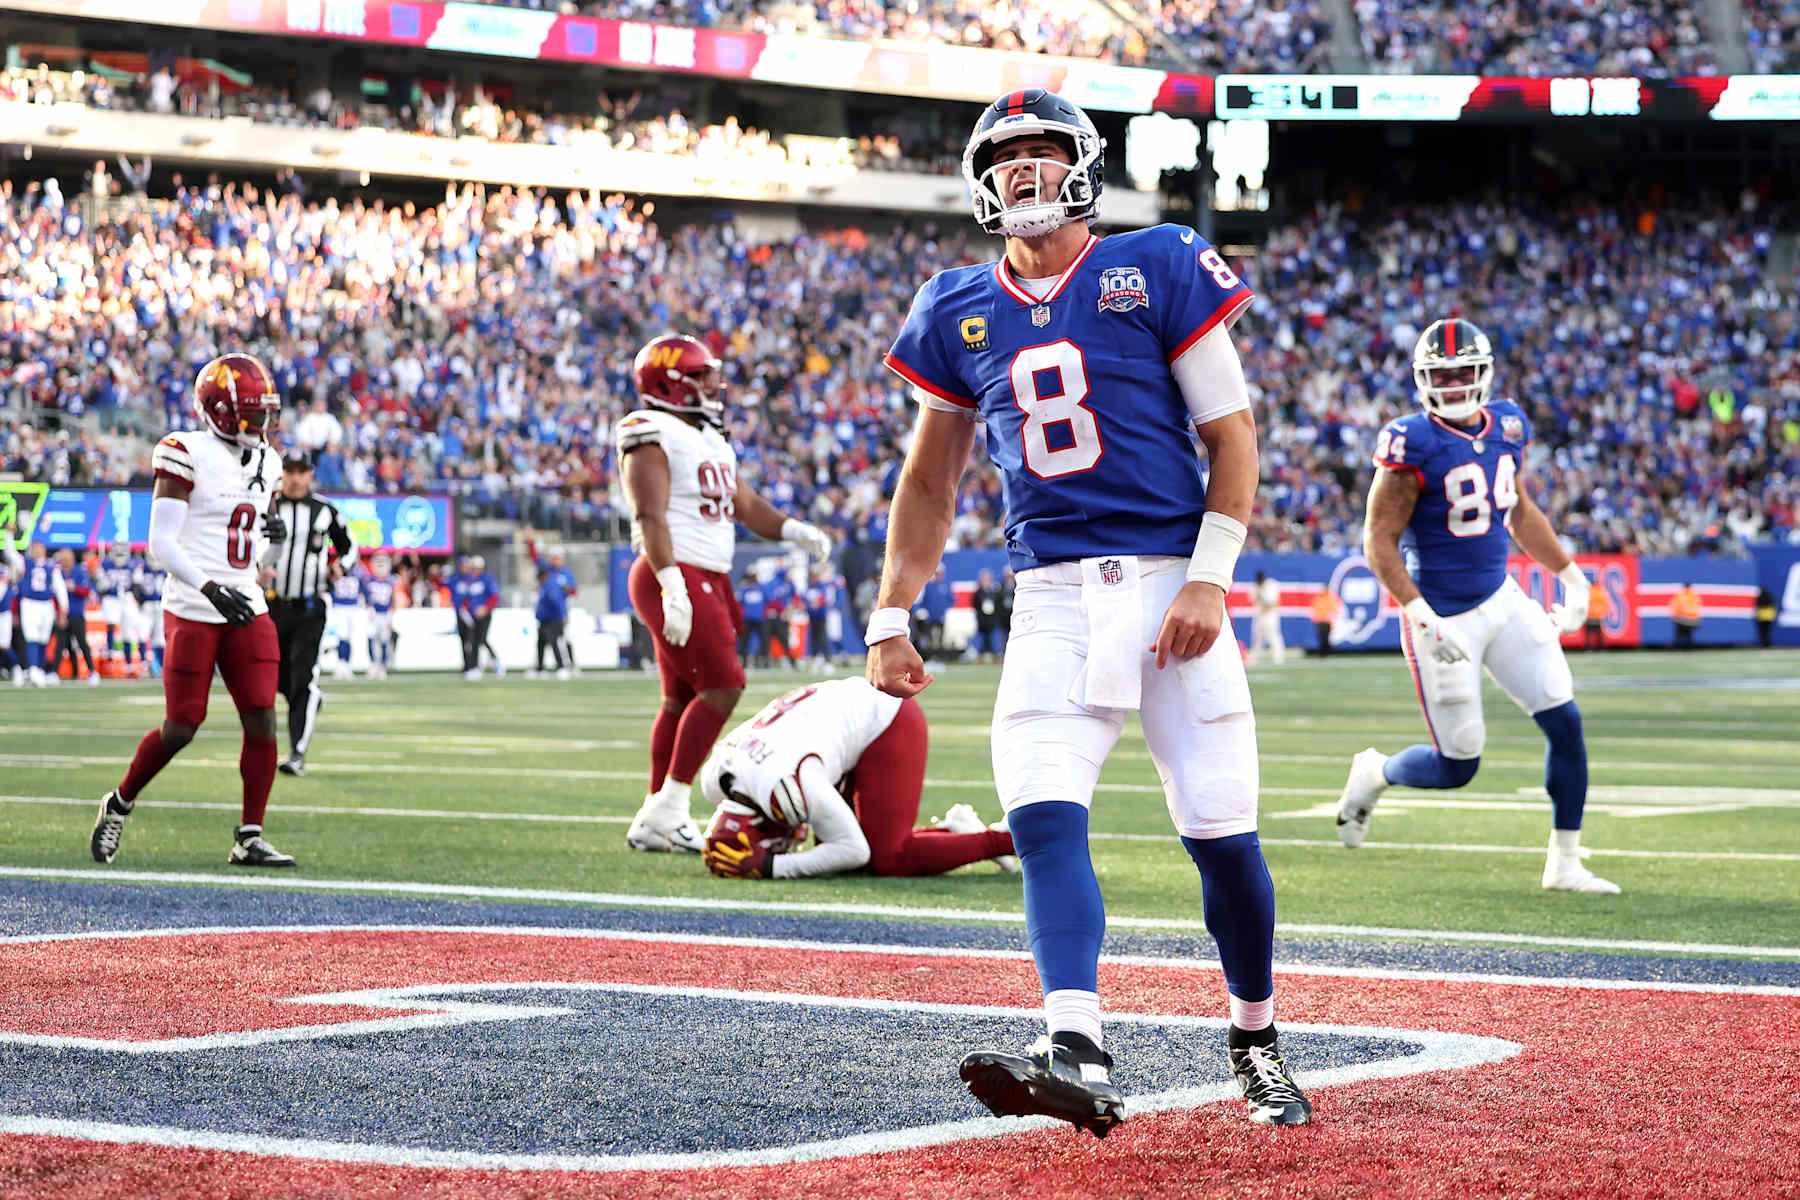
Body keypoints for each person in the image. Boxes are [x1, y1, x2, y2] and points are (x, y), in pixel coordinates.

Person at [868, 89, 1310, 1136]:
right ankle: (1077, 1041)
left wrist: (1210, 574)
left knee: (1222, 837)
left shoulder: (1154, 260)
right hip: (1052, 595)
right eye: (1005, 155)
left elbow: (1233, 436)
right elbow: (930, 485)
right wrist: (892, 612)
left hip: (1168, 579)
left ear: (1083, 166)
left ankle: (1254, 1038)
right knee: (1038, 809)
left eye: (1043, 151)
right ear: (982, 180)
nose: (1023, 169)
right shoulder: (954, 304)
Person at [1335, 318, 1618, 896]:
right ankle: (1376, 772)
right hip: (1441, 616)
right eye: (1443, 375)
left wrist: (1568, 574)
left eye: (1464, 372)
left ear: (1485, 373)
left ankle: (1564, 862)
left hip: (1501, 599)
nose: (1456, 384)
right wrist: (1418, 614)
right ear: (1421, 380)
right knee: (1458, 765)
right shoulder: (1409, 440)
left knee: (1566, 724)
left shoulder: (1508, 425)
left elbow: (1515, 509)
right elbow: (1378, 540)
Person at [616, 332, 832, 854]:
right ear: (672, 384)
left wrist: (792, 529)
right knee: (723, 685)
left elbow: (743, 502)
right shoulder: (650, 430)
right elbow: (649, 516)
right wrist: (671, 584)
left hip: (708, 571)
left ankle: (657, 813)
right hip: (675, 569)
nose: (714, 384)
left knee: (681, 698)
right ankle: (667, 806)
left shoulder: (708, 436)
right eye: (701, 376)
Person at [89, 352, 295, 869]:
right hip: (192, 601)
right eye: (252, 411)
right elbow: (160, 540)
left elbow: (252, 546)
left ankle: (250, 835)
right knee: (183, 724)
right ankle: (119, 801)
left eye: (265, 411)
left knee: (264, 718)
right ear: (222, 411)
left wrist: (274, 540)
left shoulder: (269, 461)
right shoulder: (185, 451)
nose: (262, 422)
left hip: (244, 599)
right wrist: (206, 586)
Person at [698, 678, 1017, 879]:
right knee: (835, 853)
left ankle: (1007, 839)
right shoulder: (715, 779)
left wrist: (771, 867)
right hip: (838, 718)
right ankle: (952, 832)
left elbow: (854, 851)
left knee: (886, 859)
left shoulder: (788, 788)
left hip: (885, 718)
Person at [266, 451, 355, 777]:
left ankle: (297, 752)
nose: (294, 477)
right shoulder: (267, 506)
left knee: (302, 678)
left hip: (309, 607)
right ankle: (309, 705)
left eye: (300, 471)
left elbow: (350, 547)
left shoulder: (325, 512)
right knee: (272, 679)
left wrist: (340, 567)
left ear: (310, 475)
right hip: (271, 605)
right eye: (289, 470)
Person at [14, 539, 65, 688]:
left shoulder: (51, 565)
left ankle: (40, 669)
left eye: (40, 548)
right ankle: (33, 669)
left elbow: (59, 586)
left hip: (46, 604)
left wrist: (63, 608)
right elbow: (11, 554)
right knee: (31, 636)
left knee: (43, 638)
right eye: (35, 548)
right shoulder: (24, 562)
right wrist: (10, 537)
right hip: (29, 603)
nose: (37, 551)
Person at [48, 548, 99, 683]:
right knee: (61, 644)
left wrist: (74, 588)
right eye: (63, 558)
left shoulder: (79, 571)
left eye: (67, 557)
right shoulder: (56, 572)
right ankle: (55, 673)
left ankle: (92, 672)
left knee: (82, 643)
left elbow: (87, 590)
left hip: (76, 613)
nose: (64, 560)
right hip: (62, 615)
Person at [451, 555, 501, 679]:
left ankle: (492, 661)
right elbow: (467, 598)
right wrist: (464, 608)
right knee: (474, 641)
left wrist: (485, 608)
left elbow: (495, 597)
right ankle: (474, 667)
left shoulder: (487, 580)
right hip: (472, 616)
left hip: (484, 615)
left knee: (480, 639)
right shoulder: (470, 581)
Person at [362, 554, 399, 679]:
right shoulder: (369, 580)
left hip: (385, 614)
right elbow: (366, 597)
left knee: (384, 640)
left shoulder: (391, 580)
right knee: (371, 638)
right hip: (373, 614)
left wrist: (391, 616)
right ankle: (373, 665)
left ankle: (382, 665)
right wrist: (368, 609)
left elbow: (393, 600)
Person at [532, 564, 570, 679]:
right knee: (541, 643)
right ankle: (540, 668)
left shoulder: (551, 586)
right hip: (544, 620)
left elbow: (557, 602)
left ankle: (561, 667)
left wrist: (563, 616)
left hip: (553, 620)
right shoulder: (545, 587)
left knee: (554, 643)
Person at [1248, 569, 1285, 665]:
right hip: (1260, 614)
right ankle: (1254, 658)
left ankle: (1278, 657)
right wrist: (1259, 592)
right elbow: (1254, 600)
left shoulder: (1271, 585)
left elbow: (1273, 602)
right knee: (1257, 637)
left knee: (1273, 636)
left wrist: (1262, 594)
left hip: (1271, 614)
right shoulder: (1255, 586)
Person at [970, 568, 1005, 661]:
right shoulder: (978, 592)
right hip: (982, 620)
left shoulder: (995, 591)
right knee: (980, 639)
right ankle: (979, 655)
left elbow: (999, 605)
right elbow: (975, 604)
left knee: (995, 639)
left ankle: (997, 655)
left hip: (992, 620)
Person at [1308, 588, 1341, 656]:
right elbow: (1336, 610)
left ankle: (1325, 652)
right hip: (1324, 621)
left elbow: (1314, 610)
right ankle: (1326, 652)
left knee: (1324, 638)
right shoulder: (1329, 599)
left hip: (1323, 621)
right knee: (1324, 638)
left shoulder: (1321, 599)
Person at [1670, 582, 1701, 649]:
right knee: (1688, 635)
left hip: (1681, 618)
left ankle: (1678, 648)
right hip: (1691, 619)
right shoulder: (1694, 596)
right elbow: (1697, 607)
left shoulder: (1680, 595)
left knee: (1679, 635)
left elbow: (1675, 606)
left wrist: (1674, 615)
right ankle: (1689, 648)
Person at [1582, 575, 1608, 651]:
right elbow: (1605, 603)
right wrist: (1602, 613)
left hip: (1589, 615)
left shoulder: (1588, 592)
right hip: (1598, 615)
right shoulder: (1600, 591)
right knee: (1598, 633)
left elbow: (1584, 604)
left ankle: (1588, 647)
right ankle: (1600, 647)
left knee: (1588, 633)